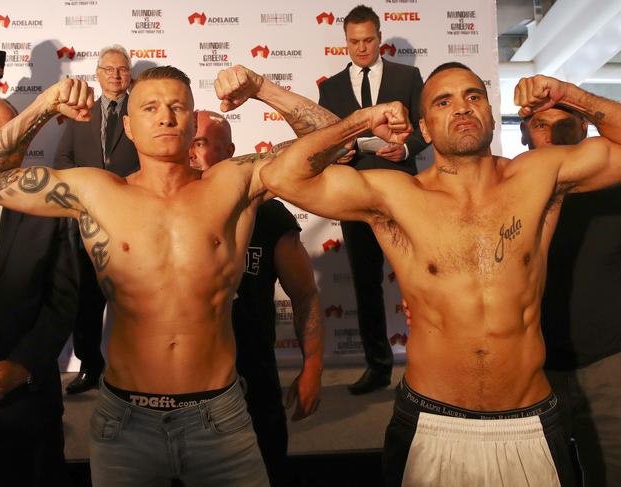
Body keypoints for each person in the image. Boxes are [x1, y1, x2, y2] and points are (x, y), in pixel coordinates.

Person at [0, 63, 343, 486]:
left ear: (192, 119)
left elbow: (334, 142)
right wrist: (43, 104)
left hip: (218, 417)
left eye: (177, 107)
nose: (165, 116)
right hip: (125, 423)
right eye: (150, 108)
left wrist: (262, 87)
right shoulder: (97, 191)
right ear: (127, 126)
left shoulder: (236, 182)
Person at [251, 62, 621, 485]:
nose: (462, 109)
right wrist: (362, 120)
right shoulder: (396, 194)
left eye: (473, 97)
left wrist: (569, 94)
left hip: (529, 419)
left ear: (491, 113)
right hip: (432, 418)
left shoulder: (540, 175)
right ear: (425, 129)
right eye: (444, 102)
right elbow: (282, 176)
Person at [189, 110, 324, 486]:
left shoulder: (269, 215)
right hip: (183, 390)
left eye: (199, 142)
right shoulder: (163, 209)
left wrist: (312, 365)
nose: (189, 152)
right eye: (187, 142)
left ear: (231, 151)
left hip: (254, 380)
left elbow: (305, 294)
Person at [318, 4, 428, 394]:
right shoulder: (329, 88)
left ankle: (429, 363)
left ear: (380, 38)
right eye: (354, 41)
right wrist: (339, 152)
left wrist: (406, 150)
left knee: (420, 278)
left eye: (368, 40)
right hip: (354, 196)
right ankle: (378, 367)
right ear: (344, 42)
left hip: (402, 190)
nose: (361, 48)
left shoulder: (408, 75)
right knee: (366, 284)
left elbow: (426, 126)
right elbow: (327, 142)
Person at [0, 96, 78, 486]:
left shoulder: (48, 206)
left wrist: (22, 367)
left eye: (10, 133)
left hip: (26, 407)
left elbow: (63, 301)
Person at [521, 106, 621, 487]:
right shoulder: (507, 193)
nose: (553, 135)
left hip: (608, 363)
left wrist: (571, 94)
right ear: (525, 135)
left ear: (585, 128)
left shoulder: (614, 185)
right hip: (534, 371)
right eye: (541, 125)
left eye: (566, 124)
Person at [54, 44, 139, 394]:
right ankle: (91, 366)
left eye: (121, 69)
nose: (115, 75)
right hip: (87, 223)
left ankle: (135, 369)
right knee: (87, 302)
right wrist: (88, 192)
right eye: (109, 69)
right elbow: (62, 159)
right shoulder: (81, 113)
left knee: (136, 300)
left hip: (133, 217)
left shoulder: (142, 110)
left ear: (129, 74)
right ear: (98, 74)